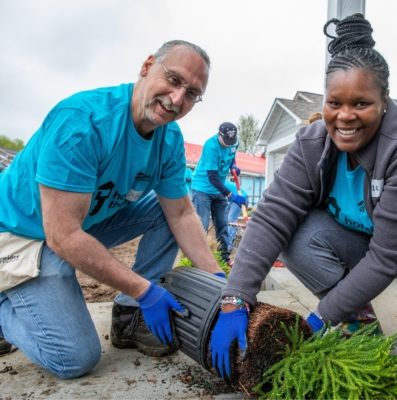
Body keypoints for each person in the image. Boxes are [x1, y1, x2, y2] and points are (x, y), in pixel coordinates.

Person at [209, 13, 397, 391]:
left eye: (361, 103)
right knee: (295, 232)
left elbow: (386, 257)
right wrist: (236, 296)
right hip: (373, 233)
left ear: (385, 102)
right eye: (334, 103)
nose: (345, 117)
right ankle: (364, 334)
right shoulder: (311, 143)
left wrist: (319, 318)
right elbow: (273, 215)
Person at [0, 40, 227, 378]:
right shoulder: (83, 124)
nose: (178, 99)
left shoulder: (169, 140)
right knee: (74, 358)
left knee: (170, 210)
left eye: (192, 93)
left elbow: (179, 214)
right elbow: (62, 236)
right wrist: (145, 289)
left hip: (75, 224)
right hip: (23, 234)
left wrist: (221, 285)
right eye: (174, 80)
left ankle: (129, 317)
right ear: (147, 66)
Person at [191, 123, 247, 263]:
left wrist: (233, 165)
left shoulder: (234, 142)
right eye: (226, 142)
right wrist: (231, 195)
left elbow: (232, 156)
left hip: (218, 189)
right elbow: (213, 177)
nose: (228, 145)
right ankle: (196, 260)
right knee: (201, 225)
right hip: (202, 188)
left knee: (223, 224)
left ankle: (223, 258)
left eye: (231, 142)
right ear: (219, 135)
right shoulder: (211, 146)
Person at [224, 180, 249, 253]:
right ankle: (225, 243)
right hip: (232, 199)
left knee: (231, 220)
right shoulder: (217, 181)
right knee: (224, 219)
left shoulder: (219, 183)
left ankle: (229, 247)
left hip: (241, 198)